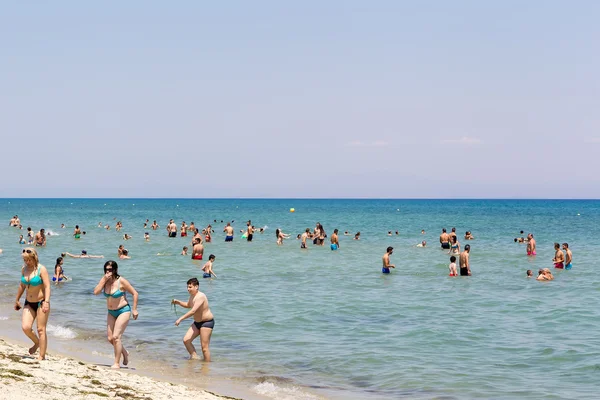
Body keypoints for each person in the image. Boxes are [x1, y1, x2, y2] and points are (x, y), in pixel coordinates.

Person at [93, 260, 139, 369]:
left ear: (115, 270)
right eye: (106, 270)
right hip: (111, 312)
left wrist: (135, 309)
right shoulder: (105, 280)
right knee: (110, 338)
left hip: (123, 310)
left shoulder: (121, 281)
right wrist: (103, 280)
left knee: (116, 337)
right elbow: (96, 292)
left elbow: (135, 293)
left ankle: (117, 363)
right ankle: (125, 352)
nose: (108, 272)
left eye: (110, 270)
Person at [14, 248, 51, 360]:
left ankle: (41, 357)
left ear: (34, 258)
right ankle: (37, 343)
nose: (27, 262)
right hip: (28, 302)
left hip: (41, 302)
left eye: (29, 260)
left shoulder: (41, 269)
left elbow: (47, 286)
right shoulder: (24, 269)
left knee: (41, 329)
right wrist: (17, 299)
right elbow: (22, 285)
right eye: (25, 260)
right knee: (26, 327)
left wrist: (46, 302)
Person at [172, 278, 215, 361]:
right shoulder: (192, 296)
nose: (188, 289)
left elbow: (193, 311)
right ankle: (195, 357)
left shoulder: (200, 296)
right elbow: (188, 305)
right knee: (186, 340)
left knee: (204, 348)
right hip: (197, 323)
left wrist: (180, 318)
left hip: (206, 323)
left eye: (190, 287)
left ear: (196, 287)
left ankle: (207, 367)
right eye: (187, 287)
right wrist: (178, 302)